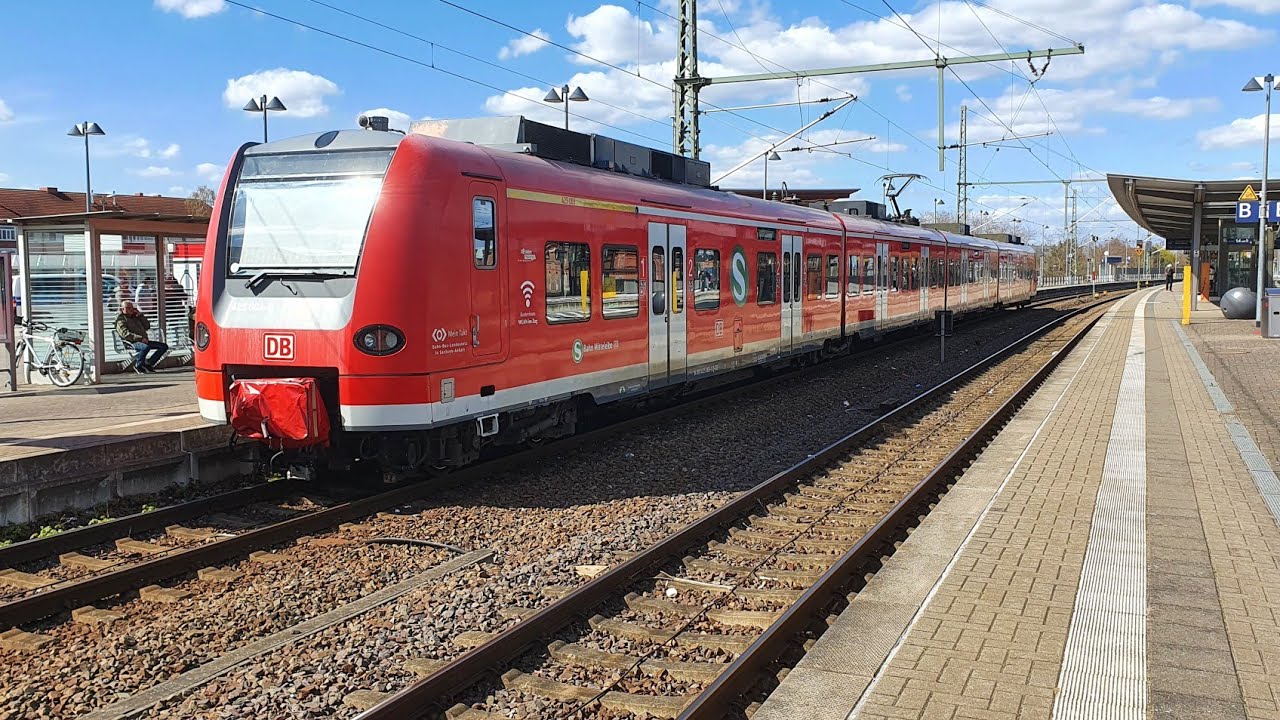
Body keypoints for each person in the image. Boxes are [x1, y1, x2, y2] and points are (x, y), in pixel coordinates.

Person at [116, 300, 168, 373]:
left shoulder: (136, 317)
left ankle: (149, 364)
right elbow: (125, 334)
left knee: (163, 346)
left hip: (143, 340)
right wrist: (139, 338)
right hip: (131, 342)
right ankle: (139, 365)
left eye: (132, 308)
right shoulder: (121, 320)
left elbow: (147, 326)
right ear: (122, 309)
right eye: (128, 308)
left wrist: (140, 315)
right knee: (145, 347)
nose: (131, 310)